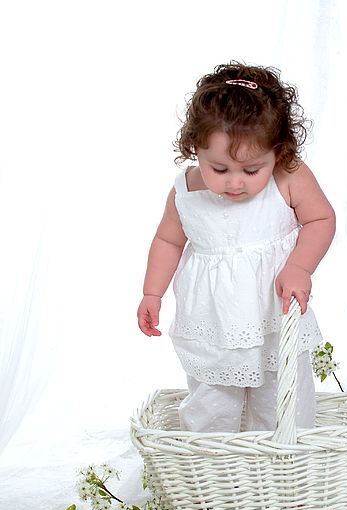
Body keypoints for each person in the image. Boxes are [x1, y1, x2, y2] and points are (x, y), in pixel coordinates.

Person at [137, 61, 335, 433]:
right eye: (220, 168)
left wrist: (299, 267)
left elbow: (321, 219)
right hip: (212, 323)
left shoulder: (288, 176)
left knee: (282, 404)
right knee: (209, 404)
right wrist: (153, 293)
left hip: (274, 318)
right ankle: (213, 476)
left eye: (251, 170)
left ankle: (280, 474)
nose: (235, 182)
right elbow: (167, 240)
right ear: (195, 149)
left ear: (277, 152)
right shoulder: (186, 191)